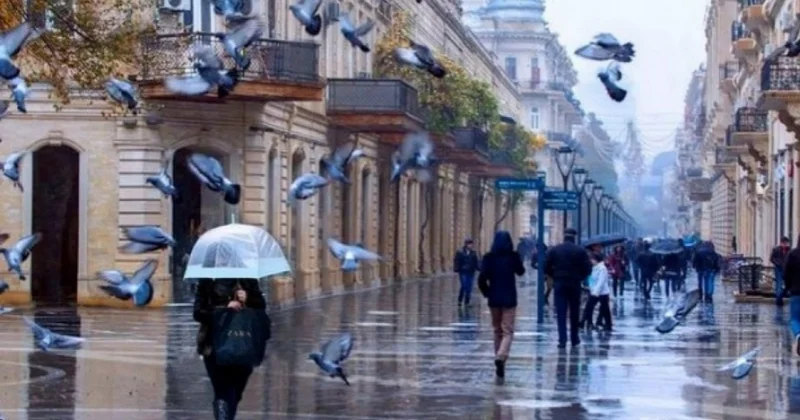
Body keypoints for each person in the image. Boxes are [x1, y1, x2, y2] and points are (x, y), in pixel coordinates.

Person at [194, 278, 267, 419]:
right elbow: (198, 312)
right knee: (222, 391)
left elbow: (261, 308)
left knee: (236, 393)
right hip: (214, 345)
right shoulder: (207, 281)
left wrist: (248, 298)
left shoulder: (248, 280)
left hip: (244, 344)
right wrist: (225, 307)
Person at [477, 231, 525, 378]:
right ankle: (501, 356)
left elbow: (481, 279)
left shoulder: (488, 258)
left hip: (494, 299)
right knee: (508, 331)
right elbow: (521, 272)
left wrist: (487, 292)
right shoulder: (513, 256)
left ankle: (499, 358)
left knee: (497, 330)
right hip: (509, 299)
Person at [545, 228, 593, 349]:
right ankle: (574, 338)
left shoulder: (555, 250)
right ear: (574, 237)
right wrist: (580, 277)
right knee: (574, 312)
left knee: (561, 312)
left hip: (560, 283)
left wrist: (555, 275)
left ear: (564, 236)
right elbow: (588, 269)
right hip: (574, 283)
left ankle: (562, 339)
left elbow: (546, 267)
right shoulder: (580, 251)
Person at [589, 253, 613, 331]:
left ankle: (608, 325)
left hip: (602, 292)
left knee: (605, 309)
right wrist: (591, 288)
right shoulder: (594, 267)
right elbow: (591, 279)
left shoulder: (602, 268)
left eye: (592, 259)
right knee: (590, 307)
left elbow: (601, 281)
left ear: (596, 260)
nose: (591, 261)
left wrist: (596, 291)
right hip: (595, 291)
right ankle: (591, 323)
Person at [784, 239, 800, 356]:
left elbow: (786, 273)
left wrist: (788, 287)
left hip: (796, 292)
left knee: (794, 319)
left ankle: (798, 335)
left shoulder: (793, 254)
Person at [453, 238, 480, 306]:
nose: (470, 245)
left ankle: (467, 302)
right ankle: (460, 299)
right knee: (464, 286)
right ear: (466, 244)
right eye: (469, 244)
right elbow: (456, 261)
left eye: (471, 244)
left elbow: (476, 262)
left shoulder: (473, 253)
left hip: (471, 272)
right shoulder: (460, 252)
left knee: (469, 287)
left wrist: (480, 268)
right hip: (463, 272)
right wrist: (456, 268)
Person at [771, 236, 792, 306]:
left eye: (786, 243)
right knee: (779, 284)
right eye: (784, 243)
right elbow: (771, 259)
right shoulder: (776, 249)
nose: (786, 244)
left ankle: (780, 298)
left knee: (786, 285)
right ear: (781, 243)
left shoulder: (789, 250)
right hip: (779, 268)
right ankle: (779, 301)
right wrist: (777, 264)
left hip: (787, 269)